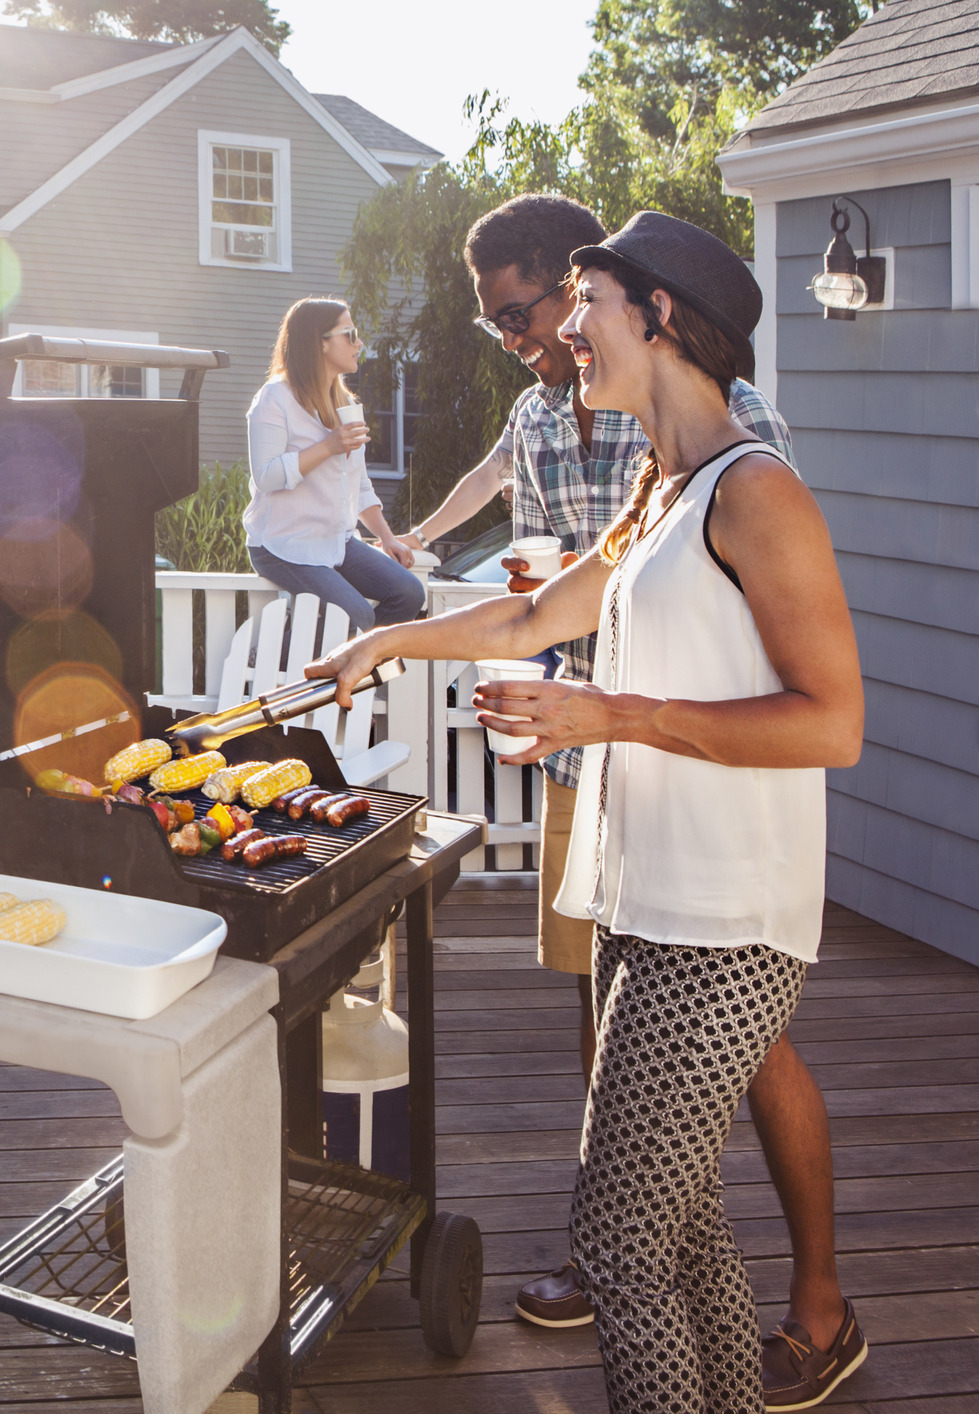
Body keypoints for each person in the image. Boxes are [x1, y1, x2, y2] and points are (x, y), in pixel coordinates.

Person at [313, 212, 869, 1413]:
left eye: (589, 305)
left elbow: (834, 723)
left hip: (726, 933)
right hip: (646, 908)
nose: (566, 331)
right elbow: (527, 621)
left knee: (616, 1239)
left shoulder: (754, 491)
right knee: (684, 1233)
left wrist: (611, 715)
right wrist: (387, 639)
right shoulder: (663, 495)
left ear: (659, 316)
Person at [243, 298, 423, 632]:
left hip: (335, 542)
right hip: (283, 545)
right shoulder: (274, 399)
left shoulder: (346, 403)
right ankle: (277, 655)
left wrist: (387, 537)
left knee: (409, 594)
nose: (359, 344)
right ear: (320, 342)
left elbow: (359, 484)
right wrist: (328, 446)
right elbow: (266, 477)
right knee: (356, 615)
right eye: (350, 334)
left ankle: (352, 666)